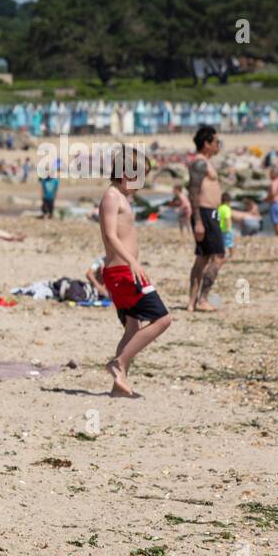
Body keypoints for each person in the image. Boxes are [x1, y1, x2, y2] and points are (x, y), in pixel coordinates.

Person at [98, 144, 171, 398]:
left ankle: (120, 384)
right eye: (140, 176)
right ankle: (118, 363)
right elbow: (109, 235)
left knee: (132, 326)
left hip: (124, 270)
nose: (142, 183)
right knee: (163, 319)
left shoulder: (122, 197)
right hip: (122, 272)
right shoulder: (111, 196)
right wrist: (132, 261)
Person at [187, 125, 224, 312]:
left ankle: (192, 302)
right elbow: (193, 192)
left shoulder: (204, 162)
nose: (219, 145)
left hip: (209, 213)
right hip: (205, 214)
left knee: (202, 258)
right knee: (218, 256)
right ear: (206, 144)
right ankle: (202, 299)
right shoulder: (200, 163)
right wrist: (199, 220)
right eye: (217, 142)